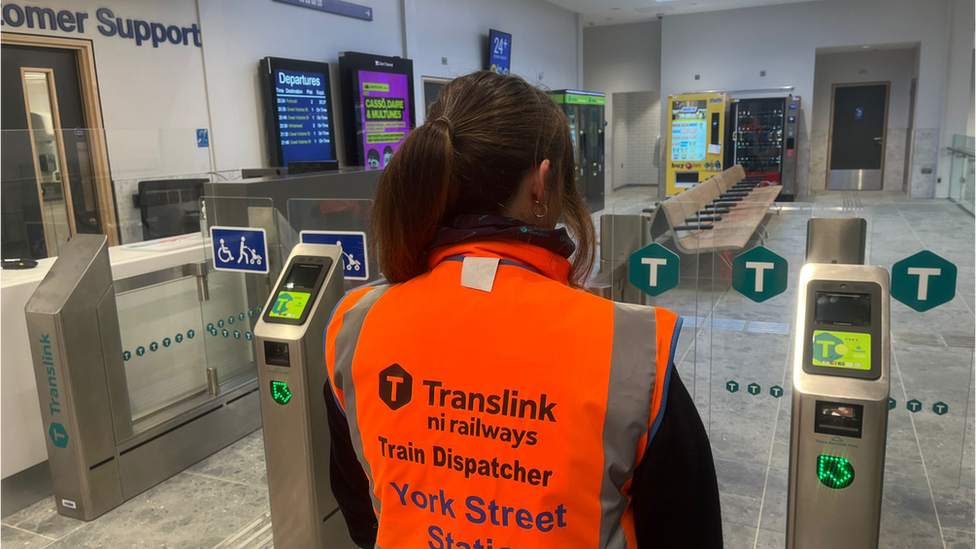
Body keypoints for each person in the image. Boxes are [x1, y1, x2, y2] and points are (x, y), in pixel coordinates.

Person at [324, 71, 722, 548]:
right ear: (542, 183)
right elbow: (688, 532)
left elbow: (361, 509)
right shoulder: (634, 350)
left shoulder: (356, 324)